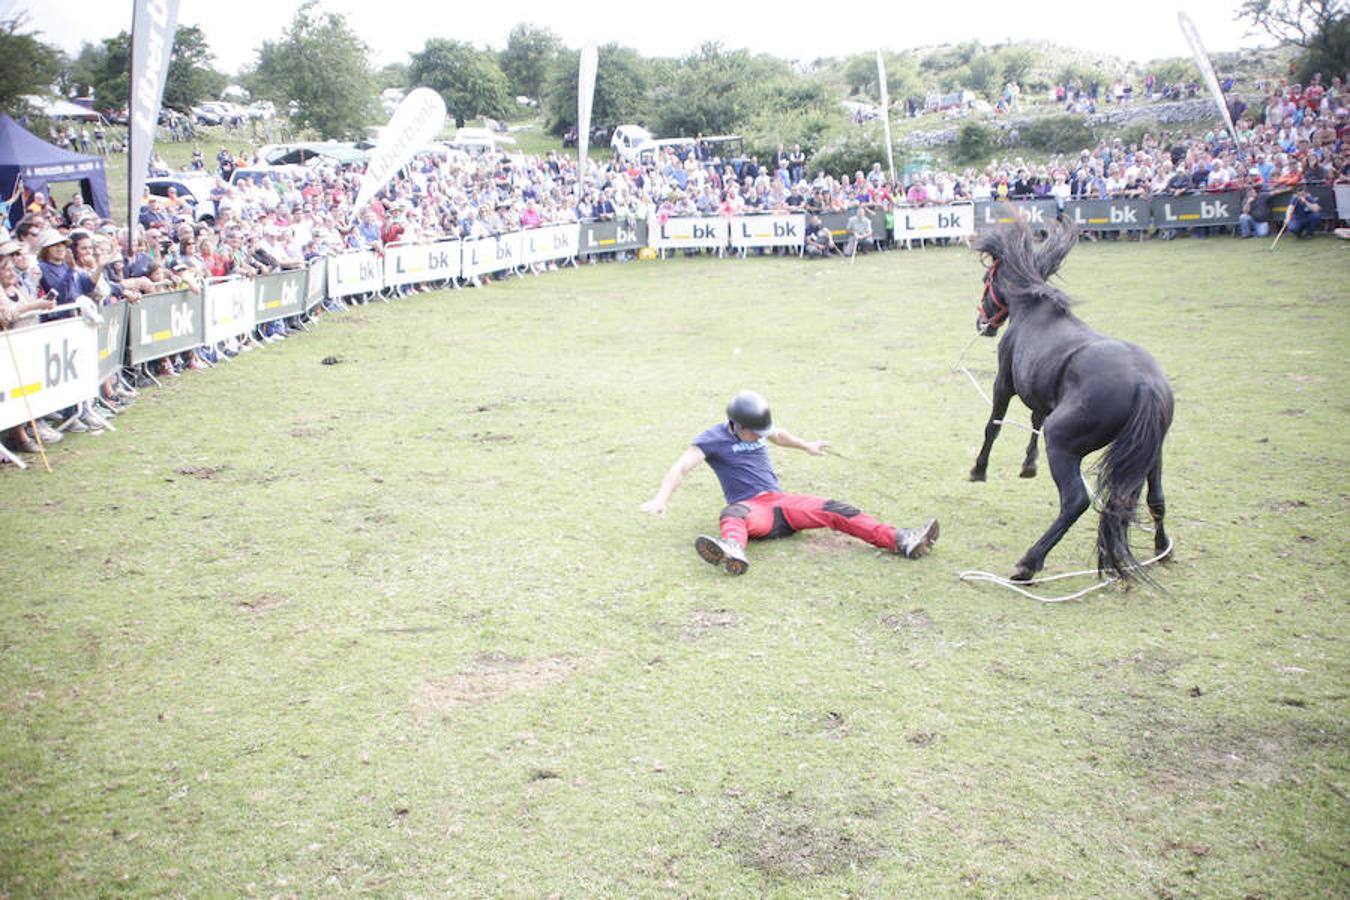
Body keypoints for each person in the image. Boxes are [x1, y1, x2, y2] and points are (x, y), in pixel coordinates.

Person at [640, 390, 939, 576]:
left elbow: (778, 435)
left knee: (836, 509)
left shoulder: (758, 429)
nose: (761, 437)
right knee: (732, 514)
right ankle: (732, 551)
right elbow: (682, 466)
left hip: (782, 504)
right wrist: (661, 499)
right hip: (754, 511)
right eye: (755, 433)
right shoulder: (712, 439)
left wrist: (807, 445)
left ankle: (903, 540)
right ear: (736, 425)